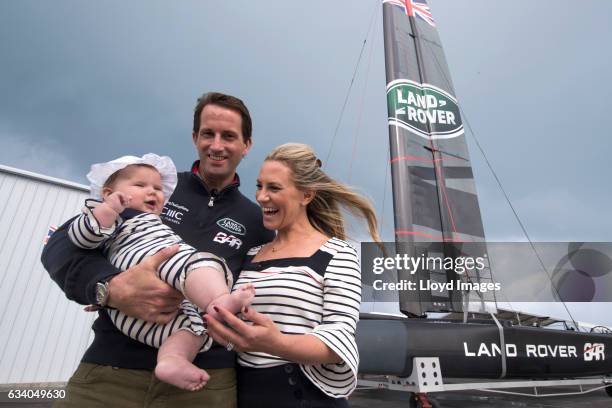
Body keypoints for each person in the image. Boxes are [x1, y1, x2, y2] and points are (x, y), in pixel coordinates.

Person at [42, 92, 274, 407]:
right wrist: (109, 287)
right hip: (111, 372)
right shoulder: (145, 188)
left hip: (203, 380)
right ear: (195, 137)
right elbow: (60, 247)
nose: (216, 145)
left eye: (229, 136)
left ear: (246, 145)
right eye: (208, 134)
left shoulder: (258, 220)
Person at [205, 143, 381, 408]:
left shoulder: (337, 253)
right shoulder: (251, 253)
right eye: (259, 186)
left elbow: (339, 341)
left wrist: (277, 343)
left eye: (274, 188)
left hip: (302, 395)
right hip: (242, 393)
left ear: (306, 195)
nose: (262, 197)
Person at [67, 153, 255, 391]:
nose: (153, 191)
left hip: (156, 319)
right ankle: (220, 302)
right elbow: (76, 239)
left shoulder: (252, 216)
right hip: (145, 267)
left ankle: (172, 360)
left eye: (157, 188)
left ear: (246, 145)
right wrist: (108, 209)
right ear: (106, 192)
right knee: (199, 263)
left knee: (194, 330)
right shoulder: (107, 216)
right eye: (140, 185)